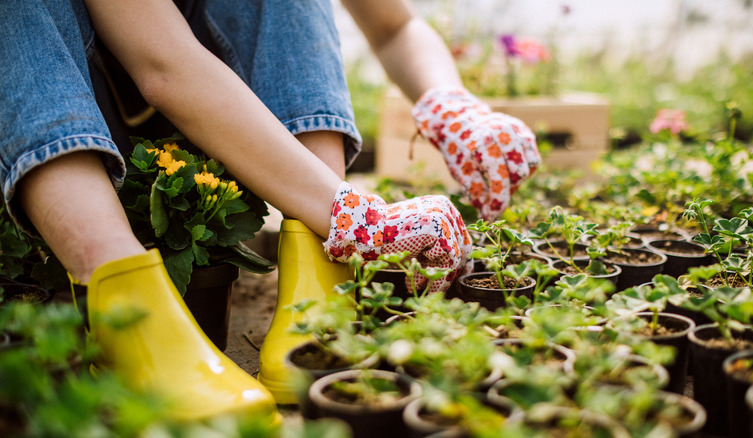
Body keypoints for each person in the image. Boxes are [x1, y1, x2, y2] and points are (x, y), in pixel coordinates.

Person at [0, 0, 539, 421]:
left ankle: (317, 266)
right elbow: (161, 66)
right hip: (61, 130)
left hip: (228, 132)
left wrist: (453, 106)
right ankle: (117, 298)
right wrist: (360, 216)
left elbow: (395, 26)